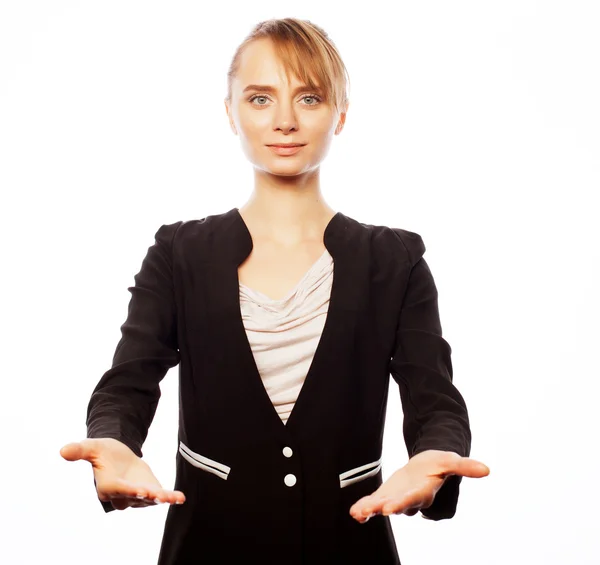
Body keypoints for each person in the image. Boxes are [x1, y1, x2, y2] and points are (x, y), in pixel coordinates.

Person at [60, 17, 490, 564]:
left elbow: (434, 399)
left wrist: (437, 454)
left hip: (348, 547)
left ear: (341, 114)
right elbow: (128, 383)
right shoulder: (179, 252)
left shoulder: (394, 260)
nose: (284, 121)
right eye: (260, 98)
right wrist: (115, 443)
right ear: (230, 112)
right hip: (208, 546)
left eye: (308, 98)